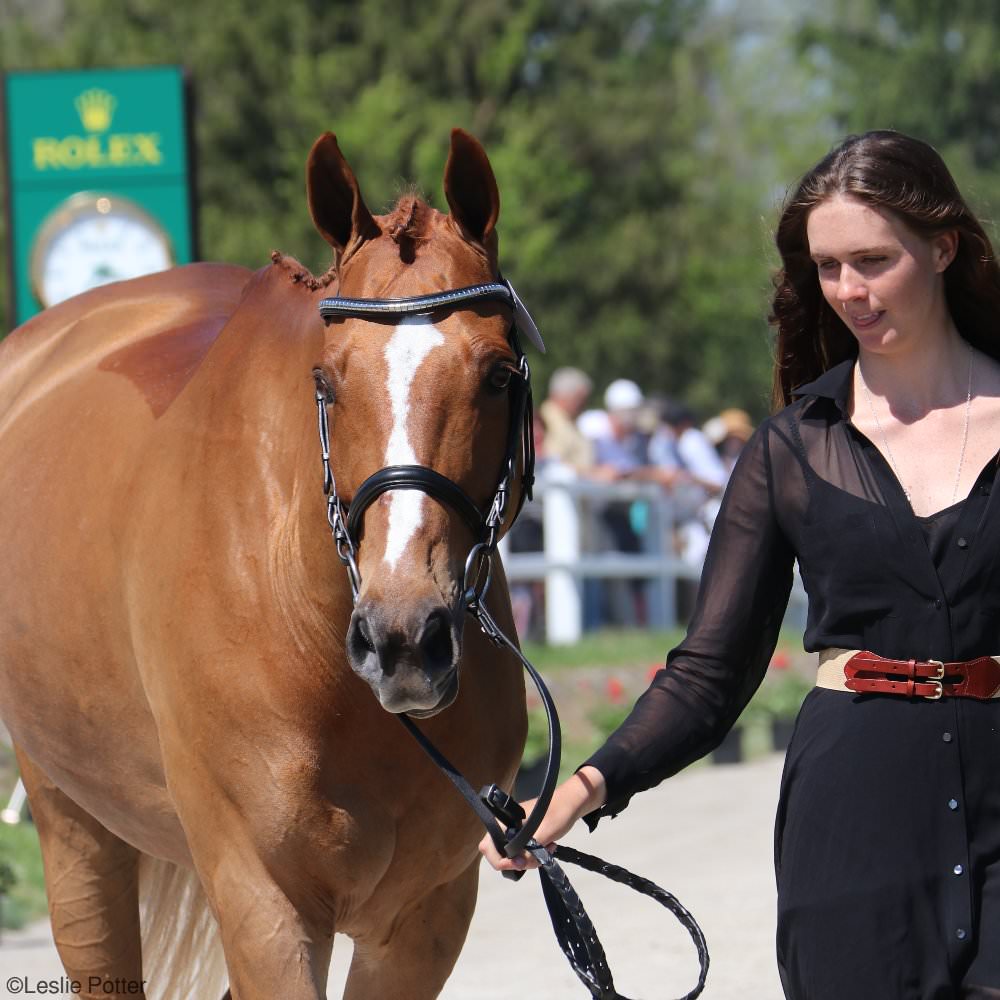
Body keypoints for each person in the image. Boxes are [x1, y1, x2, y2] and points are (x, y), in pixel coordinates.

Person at [481, 130, 1000, 999]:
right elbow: (710, 674)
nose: (849, 292)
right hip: (853, 831)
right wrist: (581, 789)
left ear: (943, 247)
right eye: (828, 267)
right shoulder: (789, 451)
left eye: (872, 260)